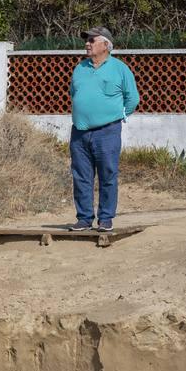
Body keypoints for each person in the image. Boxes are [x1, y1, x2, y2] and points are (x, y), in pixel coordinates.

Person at [68, 27, 139, 232]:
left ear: (106, 45)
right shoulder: (80, 68)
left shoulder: (119, 69)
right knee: (81, 176)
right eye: (87, 40)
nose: (87, 44)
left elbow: (132, 98)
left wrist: (119, 116)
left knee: (107, 174)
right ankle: (84, 218)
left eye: (92, 40)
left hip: (107, 131)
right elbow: (74, 94)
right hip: (79, 132)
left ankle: (106, 218)